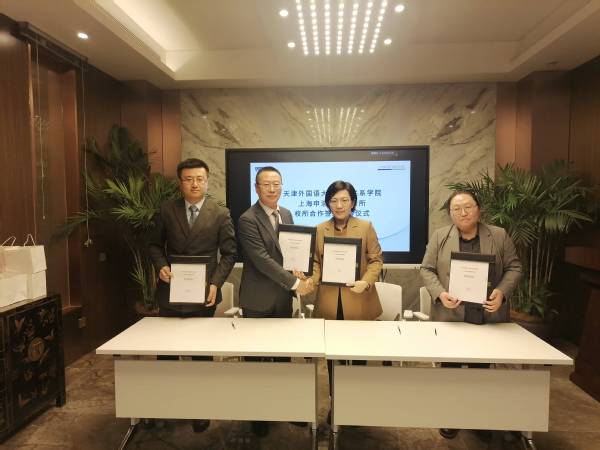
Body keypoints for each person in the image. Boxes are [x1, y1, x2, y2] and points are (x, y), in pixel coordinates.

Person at [420, 190, 522, 446]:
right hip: (451, 315)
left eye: (468, 207)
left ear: (479, 209)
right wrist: (440, 293)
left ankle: (478, 418)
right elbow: (427, 269)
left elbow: (514, 267)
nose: (462, 213)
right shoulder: (440, 236)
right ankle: (451, 416)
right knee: (451, 369)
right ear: (450, 213)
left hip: (486, 314)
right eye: (456, 209)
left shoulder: (498, 235)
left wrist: (502, 292)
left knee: (480, 370)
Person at [148, 158, 236, 433]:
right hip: (171, 291)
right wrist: (161, 265)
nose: (194, 184)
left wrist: (216, 283)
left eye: (199, 179)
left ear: (207, 181)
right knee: (167, 354)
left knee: (200, 354)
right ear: (180, 182)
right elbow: (153, 245)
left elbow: (229, 253)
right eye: (188, 179)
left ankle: (201, 408)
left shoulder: (220, 213)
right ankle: (166, 406)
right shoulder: (167, 209)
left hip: (203, 293)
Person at [237, 165, 314, 436]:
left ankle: (284, 407)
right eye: (266, 184)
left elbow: (288, 253)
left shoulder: (287, 213)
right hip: (257, 300)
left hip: (281, 299)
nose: (272, 189)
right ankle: (258, 415)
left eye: (276, 184)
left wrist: (298, 270)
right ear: (256, 188)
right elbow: (261, 259)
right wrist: (295, 283)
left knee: (283, 357)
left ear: (282, 186)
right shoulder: (247, 219)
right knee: (256, 360)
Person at [311, 180, 383, 424]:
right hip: (330, 302)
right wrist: (312, 279)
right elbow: (316, 263)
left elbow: (376, 260)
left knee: (358, 357)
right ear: (327, 203)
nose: (339, 205)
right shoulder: (320, 229)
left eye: (344, 200)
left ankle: (355, 404)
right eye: (333, 200)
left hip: (359, 299)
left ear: (353, 202)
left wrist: (366, 282)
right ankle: (336, 404)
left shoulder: (365, 226)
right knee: (332, 359)